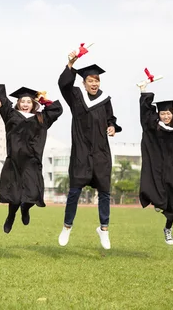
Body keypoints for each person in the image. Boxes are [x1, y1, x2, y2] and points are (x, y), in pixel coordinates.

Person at [57, 53, 121, 250]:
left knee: (104, 192)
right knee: (75, 191)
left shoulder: (104, 100)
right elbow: (63, 85)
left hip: (101, 151)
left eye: (97, 80)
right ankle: (67, 226)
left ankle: (104, 229)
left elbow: (111, 118)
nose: (94, 83)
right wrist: (71, 63)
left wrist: (112, 127)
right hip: (81, 152)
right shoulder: (76, 96)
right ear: (84, 82)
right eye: (90, 80)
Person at [0, 74, 63, 233]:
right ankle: (11, 216)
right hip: (14, 162)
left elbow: (57, 109)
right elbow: (2, 100)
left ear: (33, 103)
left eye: (29, 101)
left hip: (32, 162)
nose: (26, 104)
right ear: (18, 103)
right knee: (14, 196)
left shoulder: (41, 118)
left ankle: (25, 209)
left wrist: (44, 100)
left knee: (33, 194)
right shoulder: (11, 115)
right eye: (23, 101)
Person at [138, 84, 173, 245]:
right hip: (157, 168)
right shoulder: (154, 129)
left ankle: (168, 228)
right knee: (156, 192)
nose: (165, 116)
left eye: (168, 113)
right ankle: (157, 202)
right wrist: (144, 92)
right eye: (162, 113)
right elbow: (145, 115)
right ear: (159, 114)